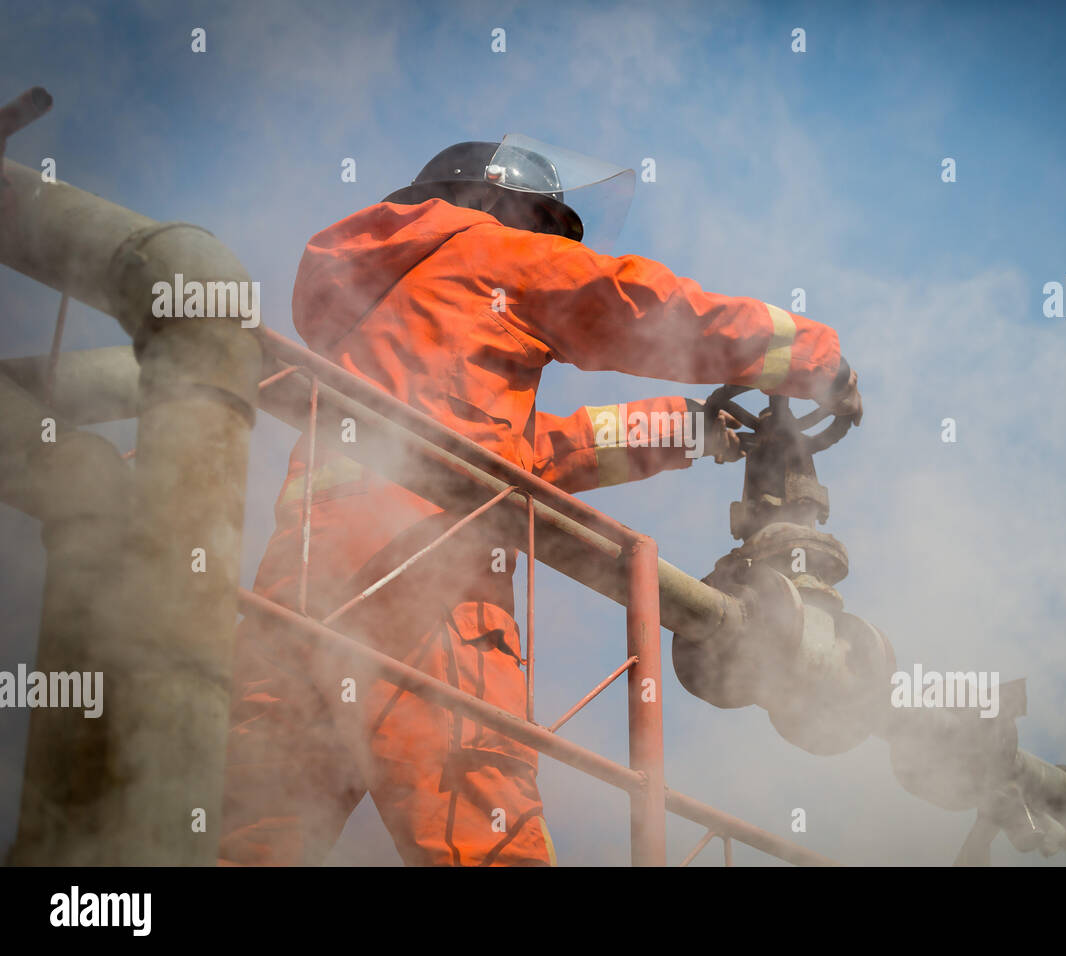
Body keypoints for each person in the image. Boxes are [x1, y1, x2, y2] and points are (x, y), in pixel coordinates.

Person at [219, 138, 862, 866]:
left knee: (249, 846)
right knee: (490, 843)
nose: (550, 242)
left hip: (290, 614)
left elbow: (521, 457)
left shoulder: (378, 313)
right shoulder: (488, 251)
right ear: (499, 206)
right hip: (427, 601)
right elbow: (635, 304)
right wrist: (815, 358)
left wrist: (685, 430)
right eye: (545, 224)